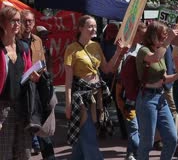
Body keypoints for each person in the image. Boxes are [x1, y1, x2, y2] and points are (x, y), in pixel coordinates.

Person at [64, 15, 127, 160]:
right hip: (81, 97)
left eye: (95, 26)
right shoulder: (71, 49)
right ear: (80, 28)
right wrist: (68, 105)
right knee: (89, 134)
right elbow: (68, 82)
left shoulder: (96, 46)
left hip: (96, 97)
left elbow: (107, 69)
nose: (94, 29)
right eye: (90, 26)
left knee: (83, 140)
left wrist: (118, 52)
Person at [135, 21, 178, 160]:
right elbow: (155, 58)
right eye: (162, 37)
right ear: (153, 36)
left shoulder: (159, 50)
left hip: (160, 98)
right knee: (147, 143)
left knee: (172, 139)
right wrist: (168, 41)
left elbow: (164, 78)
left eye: (165, 37)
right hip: (147, 99)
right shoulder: (144, 51)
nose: (164, 39)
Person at [0, 6, 38, 159]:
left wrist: (33, 76)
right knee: (4, 153)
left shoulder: (23, 47)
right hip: (3, 107)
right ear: (2, 23)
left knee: (24, 153)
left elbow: (27, 73)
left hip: (23, 106)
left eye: (18, 21)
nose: (17, 24)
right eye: (13, 21)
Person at [20, 10, 56, 160]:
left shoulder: (37, 40)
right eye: (25, 21)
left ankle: (50, 157)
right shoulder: (15, 40)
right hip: (23, 89)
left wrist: (42, 76)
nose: (28, 23)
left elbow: (43, 63)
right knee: (26, 129)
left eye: (30, 21)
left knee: (42, 124)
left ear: (34, 23)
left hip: (38, 87)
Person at [115, 21, 147, 160]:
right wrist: (121, 54)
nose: (144, 37)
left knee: (136, 127)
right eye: (142, 34)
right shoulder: (124, 49)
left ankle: (130, 153)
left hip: (139, 94)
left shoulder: (142, 49)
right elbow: (116, 70)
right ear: (135, 33)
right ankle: (140, 154)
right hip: (125, 94)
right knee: (133, 127)